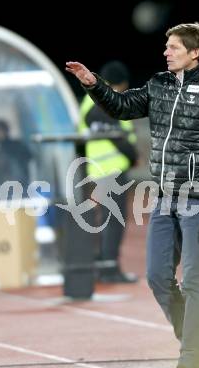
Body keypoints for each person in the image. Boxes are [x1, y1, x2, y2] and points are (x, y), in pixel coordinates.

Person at [66, 22, 199, 368]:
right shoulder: (159, 85)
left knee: (194, 280)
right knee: (157, 277)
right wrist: (93, 84)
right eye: (166, 46)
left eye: (174, 47)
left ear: (194, 52)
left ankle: (191, 366)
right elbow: (121, 106)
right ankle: (197, 347)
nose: (166, 52)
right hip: (165, 199)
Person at [78, 61, 139, 283]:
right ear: (120, 84)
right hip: (109, 170)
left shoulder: (90, 99)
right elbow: (115, 134)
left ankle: (101, 263)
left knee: (104, 220)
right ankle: (109, 269)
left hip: (99, 169)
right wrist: (132, 154)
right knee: (113, 220)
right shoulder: (101, 101)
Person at [0, 119, 32, 200]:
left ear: (4, 131)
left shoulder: (16, 147)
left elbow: (21, 169)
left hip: (16, 190)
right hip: (0, 192)